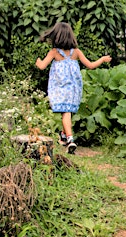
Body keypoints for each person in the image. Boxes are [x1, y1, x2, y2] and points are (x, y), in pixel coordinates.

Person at [36, 22, 112, 154]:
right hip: (74, 88)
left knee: (65, 112)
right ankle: (64, 135)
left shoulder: (54, 52)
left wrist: (37, 61)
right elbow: (91, 65)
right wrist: (103, 59)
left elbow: (42, 66)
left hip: (59, 87)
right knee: (68, 112)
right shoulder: (76, 52)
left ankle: (70, 139)